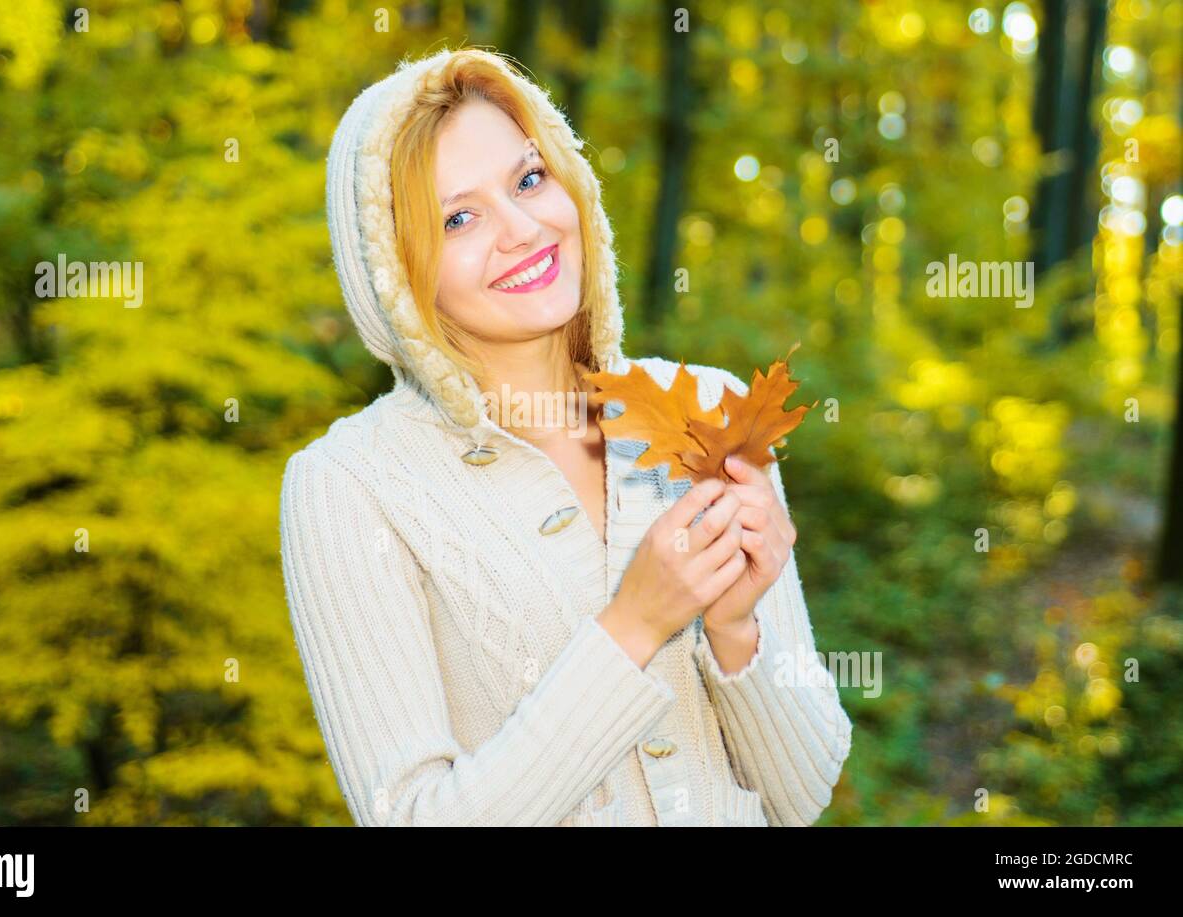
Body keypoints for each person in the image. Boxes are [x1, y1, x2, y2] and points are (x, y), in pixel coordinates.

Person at [279, 45, 853, 826]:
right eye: (458, 217)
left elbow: (803, 790)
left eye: (528, 178)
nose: (522, 228)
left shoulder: (710, 409)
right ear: (394, 271)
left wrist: (734, 628)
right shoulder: (348, 486)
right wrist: (635, 625)